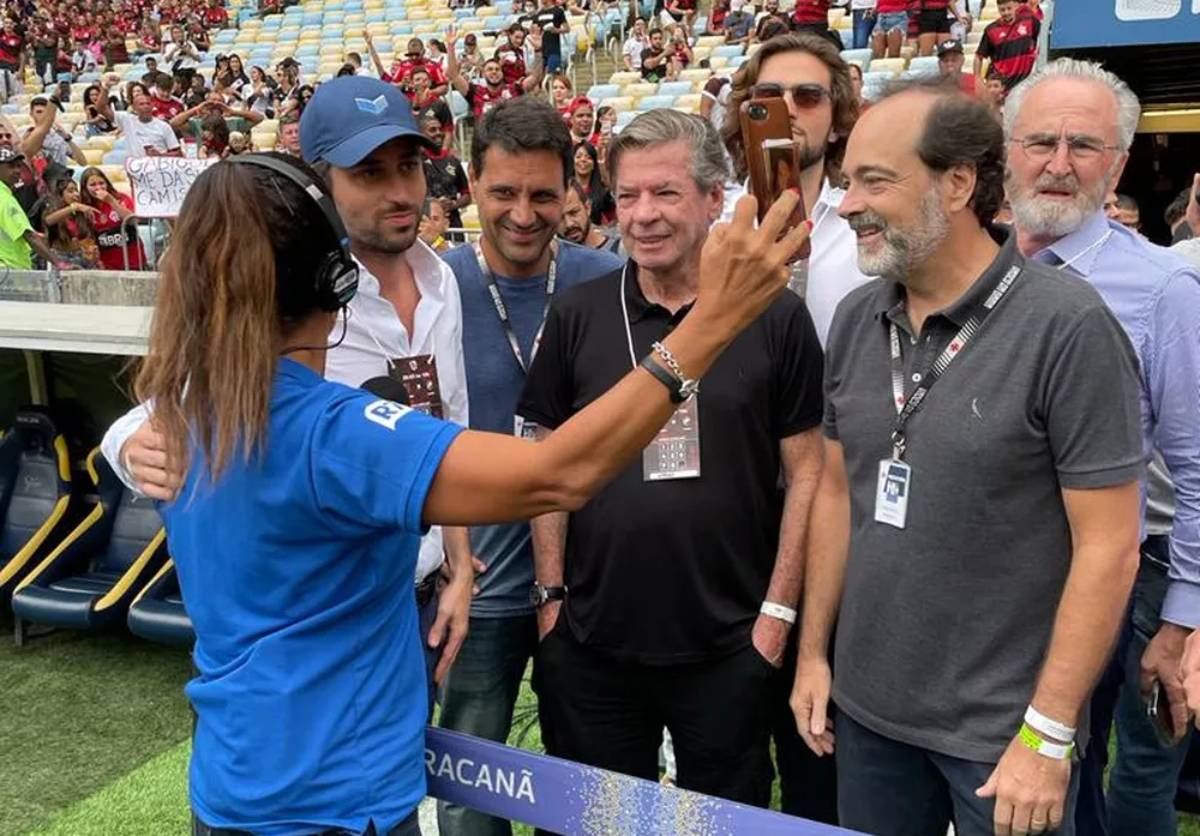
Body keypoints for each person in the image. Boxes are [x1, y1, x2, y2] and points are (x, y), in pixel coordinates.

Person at [125, 130, 804, 832]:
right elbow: (559, 473)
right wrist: (714, 320)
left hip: (234, 787)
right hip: (335, 804)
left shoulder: (184, 415)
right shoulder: (334, 435)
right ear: (338, 280)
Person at [791, 81, 1145, 836]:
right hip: (868, 714)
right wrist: (815, 654)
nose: (847, 204)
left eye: (874, 181)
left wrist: (1048, 734)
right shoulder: (858, 317)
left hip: (1002, 736)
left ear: (957, 184)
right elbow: (833, 492)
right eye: (848, 181)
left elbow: (1110, 547)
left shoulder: (1068, 327)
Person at [104, 74, 480, 702]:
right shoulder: (291, 297)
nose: (400, 192)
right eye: (370, 173)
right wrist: (126, 445)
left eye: (409, 167)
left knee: (405, 777)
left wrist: (461, 565)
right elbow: (156, 412)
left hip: (426, 589)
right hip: (334, 610)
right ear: (319, 188)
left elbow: (450, 421)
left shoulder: (442, 279)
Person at [516, 108, 823, 813]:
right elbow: (547, 462)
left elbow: (808, 471)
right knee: (599, 821)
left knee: (723, 819)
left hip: (731, 643)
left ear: (716, 200)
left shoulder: (774, 316)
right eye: (628, 197)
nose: (643, 216)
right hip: (593, 641)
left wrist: (776, 619)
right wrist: (551, 601)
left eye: (666, 193)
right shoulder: (578, 314)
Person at [1000, 58, 1200, 836]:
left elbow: (1195, 465)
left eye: (1084, 146)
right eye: (1040, 140)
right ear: (1006, 149)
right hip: (1002, 583)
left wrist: (1182, 618)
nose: (1058, 164)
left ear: (1117, 164)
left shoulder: (1162, 288)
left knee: (1111, 773)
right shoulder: (971, 272)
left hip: (1127, 578)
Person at [435, 96, 625, 836]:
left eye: (543, 195)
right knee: (472, 784)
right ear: (472, 186)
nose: (523, 213)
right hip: (477, 590)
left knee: (582, 781)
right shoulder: (435, 286)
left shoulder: (606, 279)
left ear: (569, 194)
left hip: (588, 591)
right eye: (503, 193)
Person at [721, 33, 871, 346]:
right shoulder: (712, 223)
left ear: (837, 125)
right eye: (768, 94)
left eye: (808, 97)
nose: (787, 109)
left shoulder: (869, 227)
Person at [446, 26, 544, 121]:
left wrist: (538, 51)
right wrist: (450, 48)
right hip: (485, 136)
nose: (494, 71)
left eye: (497, 69)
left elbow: (535, 77)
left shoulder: (514, 89)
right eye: (490, 69)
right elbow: (453, 75)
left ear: (502, 73)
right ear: (484, 74)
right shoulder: (475, 92)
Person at [0, 148, 72, 270]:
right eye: (11, 166)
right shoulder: (4, 199)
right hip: (9, 269)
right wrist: (59, 264)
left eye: (19, 166)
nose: (17, 171)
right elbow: (29, 236)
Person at [80, 166, 145, 271]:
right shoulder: (85, 208)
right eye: (92, 185)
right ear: (85, 188)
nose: (98, 187)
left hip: (133, 261)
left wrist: (111, 201)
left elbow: (134, 220)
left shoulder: (121, 198)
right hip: (107, 265)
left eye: (101, 183)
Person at [94, 80, 181, 158]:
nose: (145, 106)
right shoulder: (127, 120)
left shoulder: (163, 126)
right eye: (141, 104)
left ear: (152, 106)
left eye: (148, 103)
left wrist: (160, 155)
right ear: (134, 108)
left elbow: (178, 153)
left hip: (159, 169)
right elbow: (100, 108)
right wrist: (106, 88)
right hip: (136, 169)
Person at [419, 111, 471, 235]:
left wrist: (453, 205)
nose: (438, 133)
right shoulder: (415, 162)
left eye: (439, 129)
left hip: (453, 225)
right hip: (426, 224)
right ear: (421, 134)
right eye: (432, 130)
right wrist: (434, 204)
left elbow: (466, 196)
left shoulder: (453, 161)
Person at [974, 0, 1038, 92]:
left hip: (1025, 82)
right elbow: (978, 56)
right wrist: (977, 79)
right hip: (1002, 86)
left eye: (1009, 8)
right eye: (1002, 10)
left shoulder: (1030, 21)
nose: (1006, 12)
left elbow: (1041, 38)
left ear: (1015, 7)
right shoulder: (991, 30)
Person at [40, 175, 101, 268]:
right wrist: (73, 207)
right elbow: (48, 220)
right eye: (70, 191)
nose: (76, 194)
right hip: (61, 258)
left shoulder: (81, 213)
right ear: (60, 195)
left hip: (81, 256)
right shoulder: (55, 212)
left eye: (76, 190)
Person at [560, 180, 622, 253]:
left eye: (573, 213)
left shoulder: (620, 251)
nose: (569, 224)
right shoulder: (553, 261)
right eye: (560, 218)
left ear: (587, 208)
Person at [571, 140, 613, 226]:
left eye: (588, 157)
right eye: (578, 156)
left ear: (594, 164)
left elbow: (613, 220)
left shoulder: (603, 193)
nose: (583, 160)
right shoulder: (565, 188)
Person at [532, 0, 570, 74]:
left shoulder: (558, 11)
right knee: (540, 76)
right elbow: (534, 29)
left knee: (552, 73)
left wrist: (556, 30)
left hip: (554, 48)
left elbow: (567, 29)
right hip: (541, 49)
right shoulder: (539, 13)